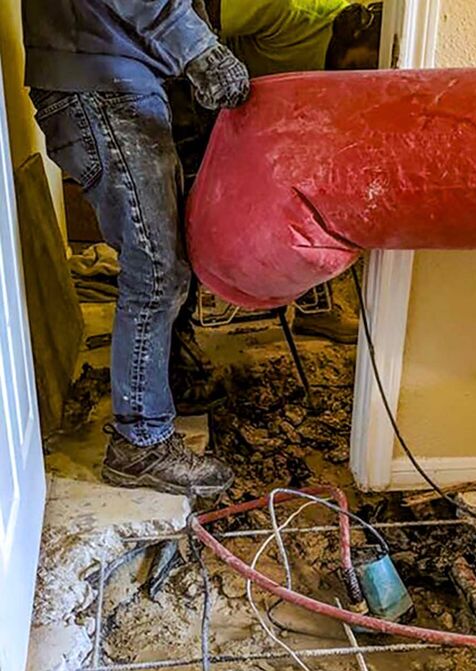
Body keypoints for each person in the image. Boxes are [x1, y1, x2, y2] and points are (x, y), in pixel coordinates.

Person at [22, 0, 250, 496]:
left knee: (163, 264)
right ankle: (141, 441)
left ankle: (156, 390)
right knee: (154, 270)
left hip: (111, 77)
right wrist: (200, 49)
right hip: (101, 84)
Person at [169, 0, 382, 360]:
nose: (359, 80)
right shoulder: (287, 12)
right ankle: (178, 342)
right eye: (361, 65)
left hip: (274, 134)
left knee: (326, 197)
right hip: (208, 113)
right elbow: (190, 21)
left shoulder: (355, 84)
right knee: (182, 228)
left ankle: (315, 308)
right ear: (353, 33)